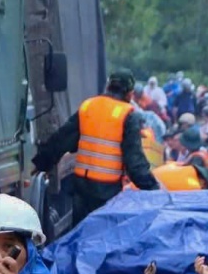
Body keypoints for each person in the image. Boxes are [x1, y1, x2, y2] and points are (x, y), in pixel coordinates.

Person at [34, 68, 160, 226]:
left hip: (81, 187)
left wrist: (40, 163)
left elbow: (62, 139)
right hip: (106, 192)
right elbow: (134, 162)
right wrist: (153, 189)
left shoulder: (88, 106)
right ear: (129, 93)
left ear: (108, 87)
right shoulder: (127, 115)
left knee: (80, 234)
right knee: (100, 237)